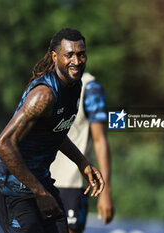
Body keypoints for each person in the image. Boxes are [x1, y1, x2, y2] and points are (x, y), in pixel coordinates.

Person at [0, 28, 104, 233]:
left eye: (81, 54)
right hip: (13, 190)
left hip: (40, 183)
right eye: (69, 55)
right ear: (55, 56)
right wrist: (39, 193)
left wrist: (83, 163)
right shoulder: (43, 96)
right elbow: (2, 144)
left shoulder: (74, 86)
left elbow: (55, 132)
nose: (76, 61)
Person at [50, 72, 114, 233]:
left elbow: (100, 140)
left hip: (71, 183)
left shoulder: (90, 88)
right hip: (40, 180)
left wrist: (105, 191)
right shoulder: (44, 82)